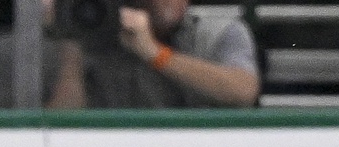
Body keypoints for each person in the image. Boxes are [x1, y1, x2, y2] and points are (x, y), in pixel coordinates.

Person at [50, 0, 259, 108]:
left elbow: (243, 90)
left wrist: (155, 53)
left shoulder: (219, 32)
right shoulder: (95, 39)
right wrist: (72, 39)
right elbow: (62, 127)